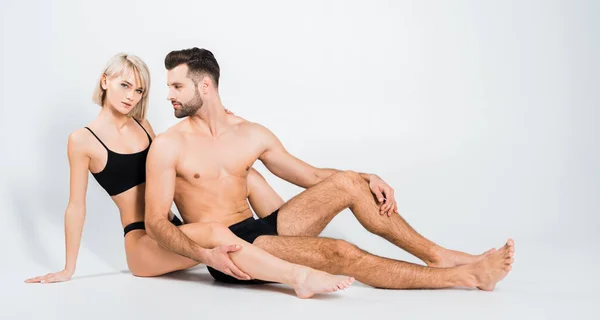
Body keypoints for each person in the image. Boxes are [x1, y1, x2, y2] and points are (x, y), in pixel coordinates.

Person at [145, 48, 515, 290]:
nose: (170, 95)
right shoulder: (169, 145)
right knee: (340, 251)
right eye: (169, 87)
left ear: (205, 85)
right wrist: (205, 255)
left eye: (177, 85)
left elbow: (309, 175)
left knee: (349, 182)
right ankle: (464, 276)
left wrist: (367, 177)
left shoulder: (250, 133)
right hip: (233, 245)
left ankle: (438, 254)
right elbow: (156, 223)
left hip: (264, 227)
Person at [24, 53, 355, 298]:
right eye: (125, 85)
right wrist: (69, 269)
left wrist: (221, 120)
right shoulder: (82, 140)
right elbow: (75, 207)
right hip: (143, 242)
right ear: (105, 81)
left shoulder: (143, 126)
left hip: (178, 232)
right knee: (216, 231)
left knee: (246, 179)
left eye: (139, 91)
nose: (130, 96)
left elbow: (178, 167)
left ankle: (293, 248)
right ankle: (299, 277)